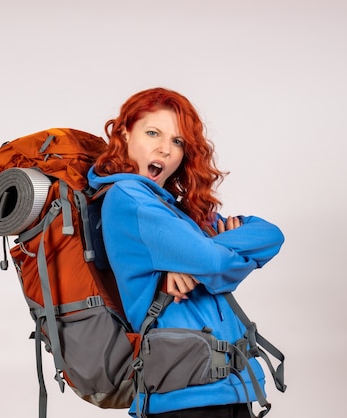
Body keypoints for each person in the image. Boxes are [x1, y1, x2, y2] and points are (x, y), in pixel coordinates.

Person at [87, 87, 284, 417]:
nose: (165, 149)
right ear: (125, 133)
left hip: (227, 388)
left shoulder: (177, 213)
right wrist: (202, 257)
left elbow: (270, 235)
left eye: (177, 141)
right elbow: (212, 261)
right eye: (153, 133)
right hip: (184, 397)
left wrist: (193, 259)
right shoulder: (129, 199)